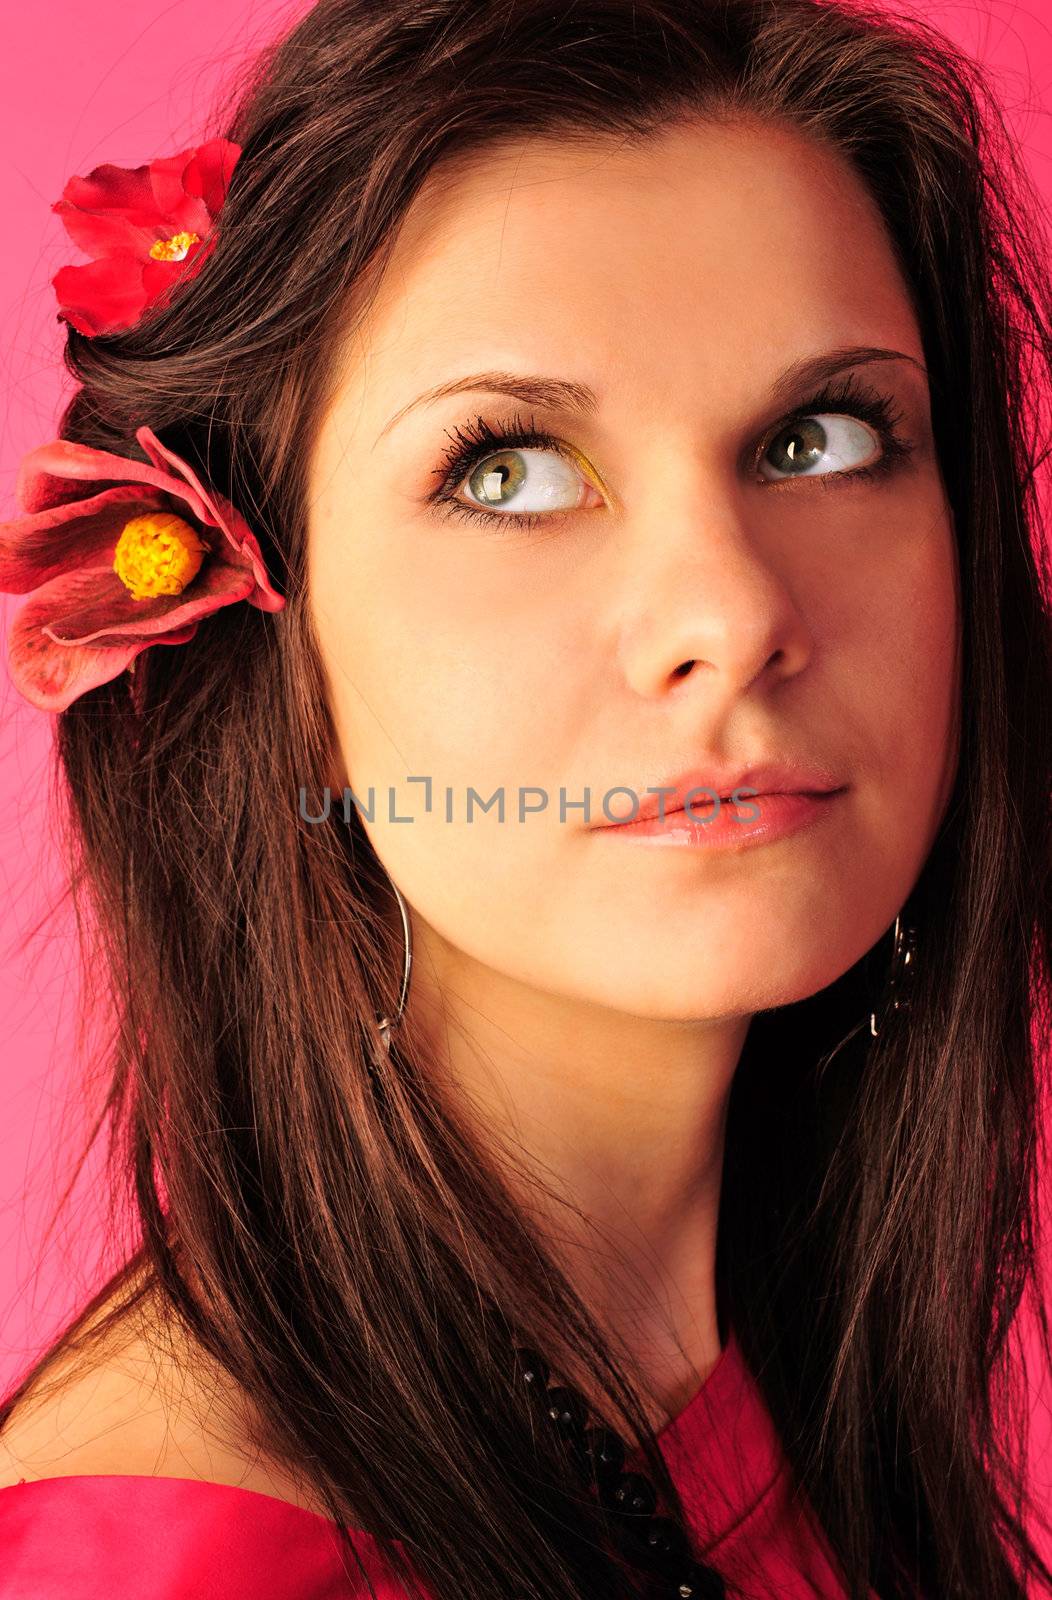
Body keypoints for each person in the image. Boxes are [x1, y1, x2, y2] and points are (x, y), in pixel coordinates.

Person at [0, 0, 1050, 1595]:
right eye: (507, 472)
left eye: (822, 437)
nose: (731, 612)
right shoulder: (168, 1561)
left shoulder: (780, 1368)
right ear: (256, 631)